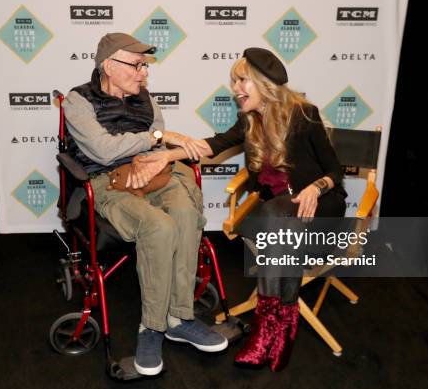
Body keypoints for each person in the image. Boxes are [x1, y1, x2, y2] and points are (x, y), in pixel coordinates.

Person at [129, 47, 347, 371]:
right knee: (277, 220)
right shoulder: (249, 121)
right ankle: (281, 328)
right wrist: (165, 155)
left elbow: (335, 170)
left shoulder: (304, 115)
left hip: (319, 205)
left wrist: (316, 188)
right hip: (281, 213)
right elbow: (211, 145)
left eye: (242, 80)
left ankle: (266, 331)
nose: (235, 89)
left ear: (263, 83)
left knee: (275, 219)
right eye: (234, 81)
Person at [62, 33, 228, 377]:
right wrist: (153, 140)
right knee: (158, 226)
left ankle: (178, 316)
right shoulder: (77, 101)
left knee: (183, 212)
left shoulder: (146, 99)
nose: (143, 74)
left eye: (144, 66)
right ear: (109, 65)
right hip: (107, 182)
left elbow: (154, 145)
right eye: (136, 66)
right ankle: (151, 327)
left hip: (151, 173)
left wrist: (145, 159)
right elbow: (103, 150)